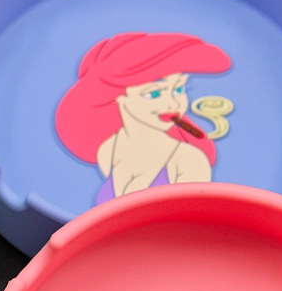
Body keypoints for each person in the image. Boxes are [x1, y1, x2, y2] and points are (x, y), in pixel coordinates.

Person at [54, 32, 231, 204]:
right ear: (118, 97)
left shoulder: (188, 161)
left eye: (178, 89)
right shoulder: (109, 150)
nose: (172, 104)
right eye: (153, 93)